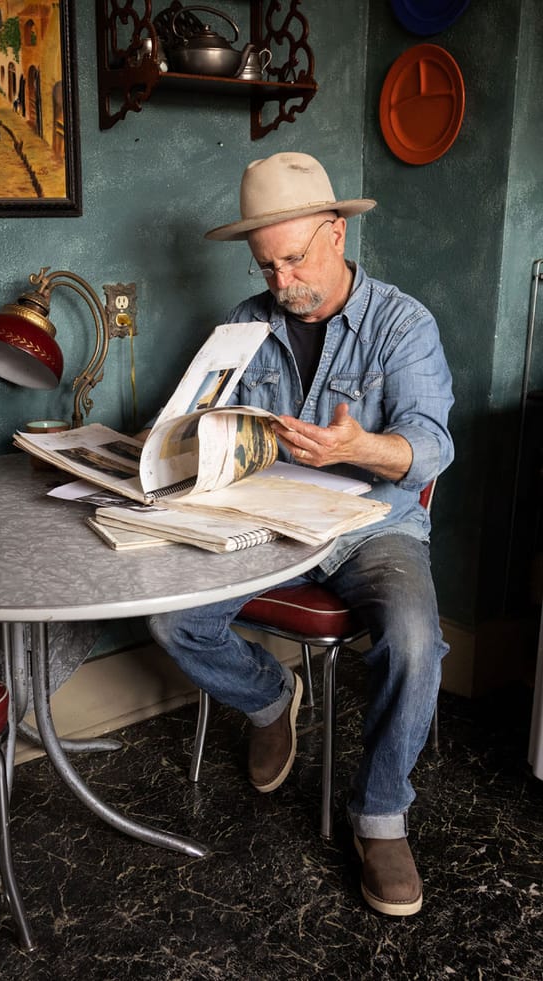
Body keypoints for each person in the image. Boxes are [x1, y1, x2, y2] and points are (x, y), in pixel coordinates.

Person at [148, 152, 454, 917]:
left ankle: (381, 817)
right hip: (267, 523)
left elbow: (432, 443)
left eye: (295, 259)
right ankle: (267, 697)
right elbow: (210, 424)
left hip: (374, 528)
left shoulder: (402, 322)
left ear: (338, 231)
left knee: (415, 638)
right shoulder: (246, 324)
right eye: (267, 265)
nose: (282, 283)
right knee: (168, 613)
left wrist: (361, 448)